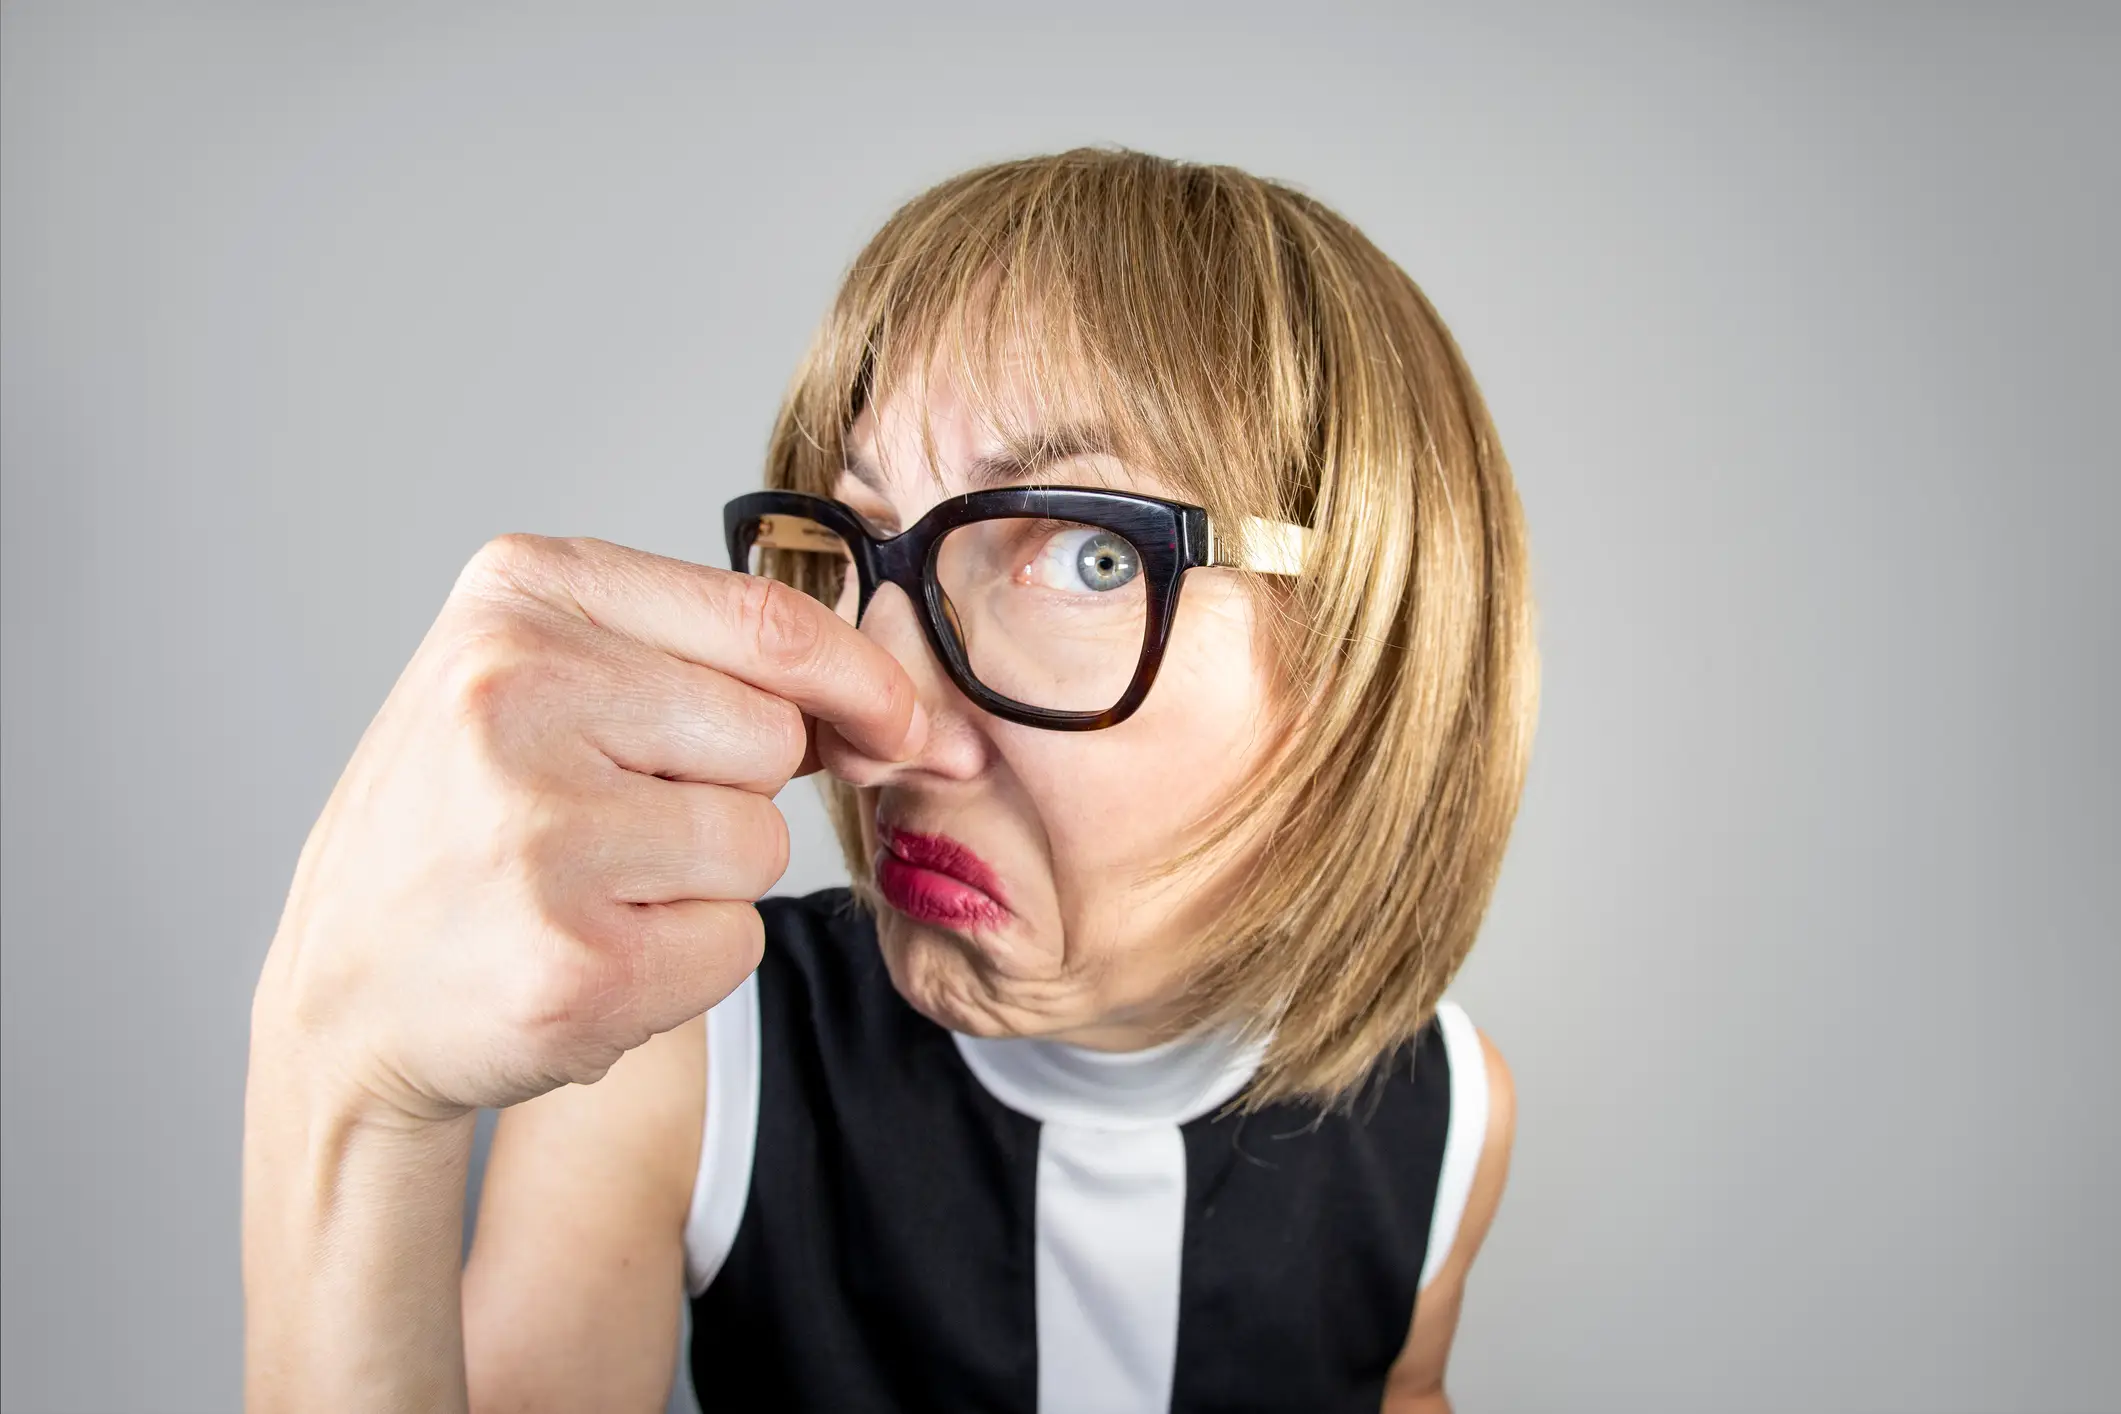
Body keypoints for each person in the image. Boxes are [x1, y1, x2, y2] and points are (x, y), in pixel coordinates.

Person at [242, 147, 1538, 1414]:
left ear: (1373, 655)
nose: (876, 729)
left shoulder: (1450, 1112)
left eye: (1084, 554)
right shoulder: (683, 1050)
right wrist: (348, 1088)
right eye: (861, 549)